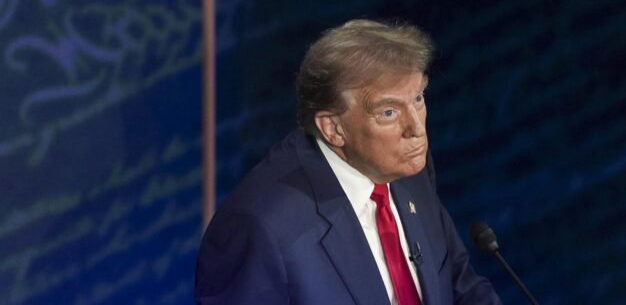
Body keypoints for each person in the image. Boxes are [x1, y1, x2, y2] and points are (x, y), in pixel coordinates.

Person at [195, 19, 502, 304]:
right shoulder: (260, 228)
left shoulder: (406, 168)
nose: (417, 129)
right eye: (388, 113)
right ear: (333, 128)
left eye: (418, 99)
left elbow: (460, 286)